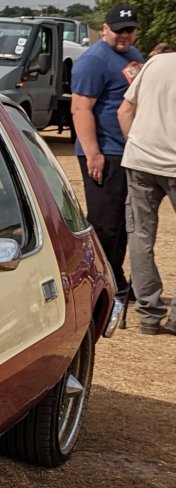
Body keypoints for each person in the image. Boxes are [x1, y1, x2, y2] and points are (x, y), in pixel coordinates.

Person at [71, 3, 144, 305]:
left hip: (128, 152)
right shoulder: (93, 61)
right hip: (106, 152)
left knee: (124, 224)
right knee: (104, 224)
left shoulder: (134, 56)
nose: (125, 35)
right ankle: (102, 285)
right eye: (118, 30)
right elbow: (80, 108)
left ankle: (114, 281)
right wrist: (93, 154)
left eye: (129, 30)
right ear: (104, 29)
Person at [118, 49, 176, 335]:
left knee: (140, 236)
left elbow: (124, 111)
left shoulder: (154, 63)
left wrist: (137, 144)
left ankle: (149, 315)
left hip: (141, 160)